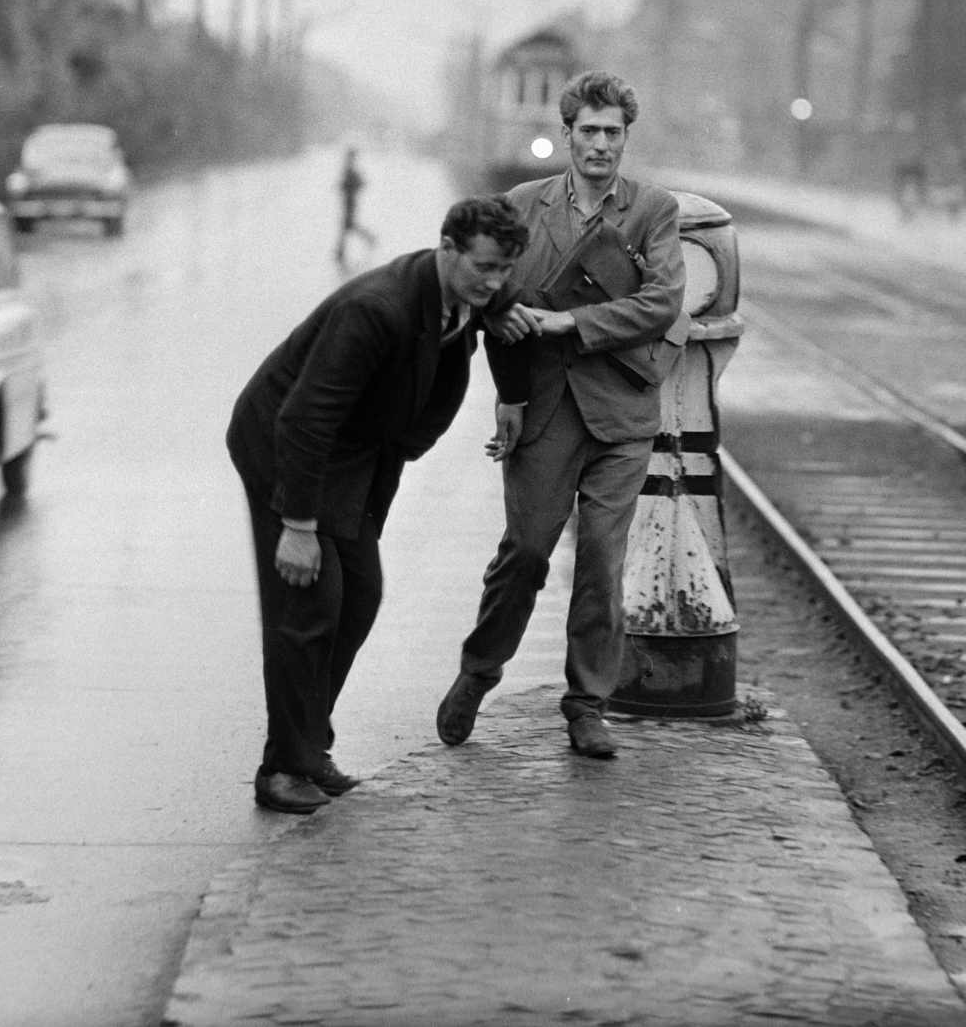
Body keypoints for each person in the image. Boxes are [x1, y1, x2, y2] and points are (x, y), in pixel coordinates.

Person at [227, 195, 529, 813]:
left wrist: (508, 351)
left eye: (505, 270)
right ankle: (282, 768)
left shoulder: (464, 290)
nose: (496, 282)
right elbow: (303, 419)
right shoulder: (377, 309)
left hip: (350, 456)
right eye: (486, 268)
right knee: (309, 603)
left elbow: (498, 306)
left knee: (357, 595)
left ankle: (307, 748)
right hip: (285, 447)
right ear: (447, 249)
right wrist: (299, 527)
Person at [437, 70, 687, 761]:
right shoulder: (522, 203)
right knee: (524, 552)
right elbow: (492, 293)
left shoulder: (653, 212)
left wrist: (565, 321)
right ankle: (479, 670)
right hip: (545, 410)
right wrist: (508, 390)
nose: (600, 144)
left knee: (603, 561)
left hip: (622, 410)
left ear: (626, 138)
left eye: (613, 132)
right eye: (588, 131)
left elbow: (661, 303)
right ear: (568, 132)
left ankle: (586, 705)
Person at [335, 147, 377, 265]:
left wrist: (347, 188)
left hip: (350, 202)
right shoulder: (348, 169)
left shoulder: (351, 170)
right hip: (348, 202)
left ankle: (340, 253)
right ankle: (340, 253)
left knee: (347, 226)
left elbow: (360, 183)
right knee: (348, 226)